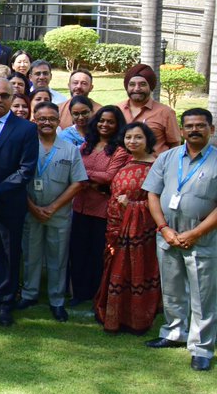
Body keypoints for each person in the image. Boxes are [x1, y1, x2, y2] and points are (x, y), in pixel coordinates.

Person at [144, 108, 217, 371]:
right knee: (172, 289)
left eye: (200, 125)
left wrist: (195, 234)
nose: (194, 130)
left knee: (203, 295)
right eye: (189, 126)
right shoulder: (167, 157)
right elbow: (152, 194)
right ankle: (174, 332)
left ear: (211, 129)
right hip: (168, 235)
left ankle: (202, 348)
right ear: (182, 130)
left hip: (202, 238)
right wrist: (163, 228)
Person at [18, 102, 88, 321]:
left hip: (58, 214)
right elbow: (18, 180)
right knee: (31, 254)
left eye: (51, 119)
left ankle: (56, 300)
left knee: (58, 257)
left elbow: (78, 183)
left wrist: (52, 208)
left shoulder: (69, 148)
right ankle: (29, 294)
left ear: (59, 122)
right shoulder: (27, 146)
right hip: (31, 210)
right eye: (41, 119)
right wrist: (32, 206)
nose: (46, 122)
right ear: (34, 121)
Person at [95, 122, 160, 334]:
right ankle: (115, 316)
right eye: (128, 137)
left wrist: (133, 206)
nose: (132, 141)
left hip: (142, 232)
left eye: (138, 137)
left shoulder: (157, 166)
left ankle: (136, 320)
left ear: (148, 140)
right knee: (116, 272)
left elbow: (160, 202)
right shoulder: (128, 162)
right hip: (117, 228)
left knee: (137, 273)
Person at [0, 78, 38, 327]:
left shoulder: (25, 129)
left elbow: (26, 170)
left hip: (9, 204)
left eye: (4, 96)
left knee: (8, 253)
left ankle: (5, 303)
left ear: (13, 98)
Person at [68, 106, 130, 307]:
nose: (105, 125)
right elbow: (73, 170)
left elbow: (110, 177)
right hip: (80, 207)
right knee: (78, 251)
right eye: (102, 120)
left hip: (102, 210)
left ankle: (96, 293)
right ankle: (78, 293)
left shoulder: (120, 150)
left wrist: (83, 176)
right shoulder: (87, 145)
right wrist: (92, 179)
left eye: (110, 122)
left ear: (117, 125)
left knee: (96, 253)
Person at [119, 64, 180, 153]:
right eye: (132, 84)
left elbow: (175, 145)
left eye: (142, 84)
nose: (137, 89)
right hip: (119, 165)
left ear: (150, 87)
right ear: (126, 87)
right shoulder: (117, 109)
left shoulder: (165, 112)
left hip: (155, 165)